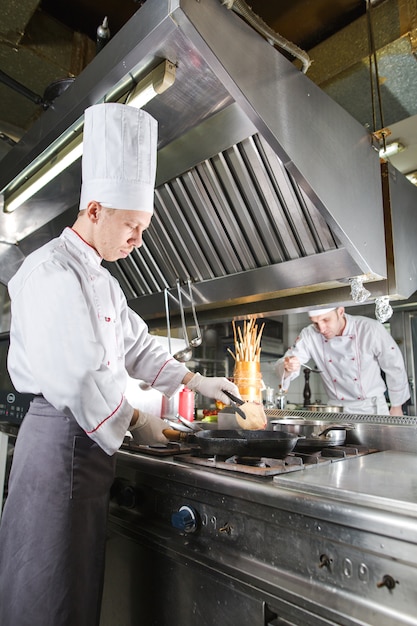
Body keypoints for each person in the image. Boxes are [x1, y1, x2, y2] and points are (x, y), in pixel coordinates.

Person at [0, 103, 240, 626]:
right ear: (93, 210)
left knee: (76, 587)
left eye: (143, 227)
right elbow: (82, 376)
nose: (137, 240)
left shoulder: (104, 281)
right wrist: (136, 417)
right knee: (46, 595)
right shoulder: (49, 273)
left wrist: (198, 380)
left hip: (86, 453)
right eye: (130, 226)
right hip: (59, 445)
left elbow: (135, 346)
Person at [275, 306, 410, 415]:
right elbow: (284, 363)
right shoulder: (309, 334)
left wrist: (396, 406)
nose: (321, 329)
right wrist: (288, 367)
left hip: (372, 408)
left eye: (326, 320)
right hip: (336, 410)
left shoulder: (369, 329)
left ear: (340, 311)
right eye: (315, 323)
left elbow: (394, 366)